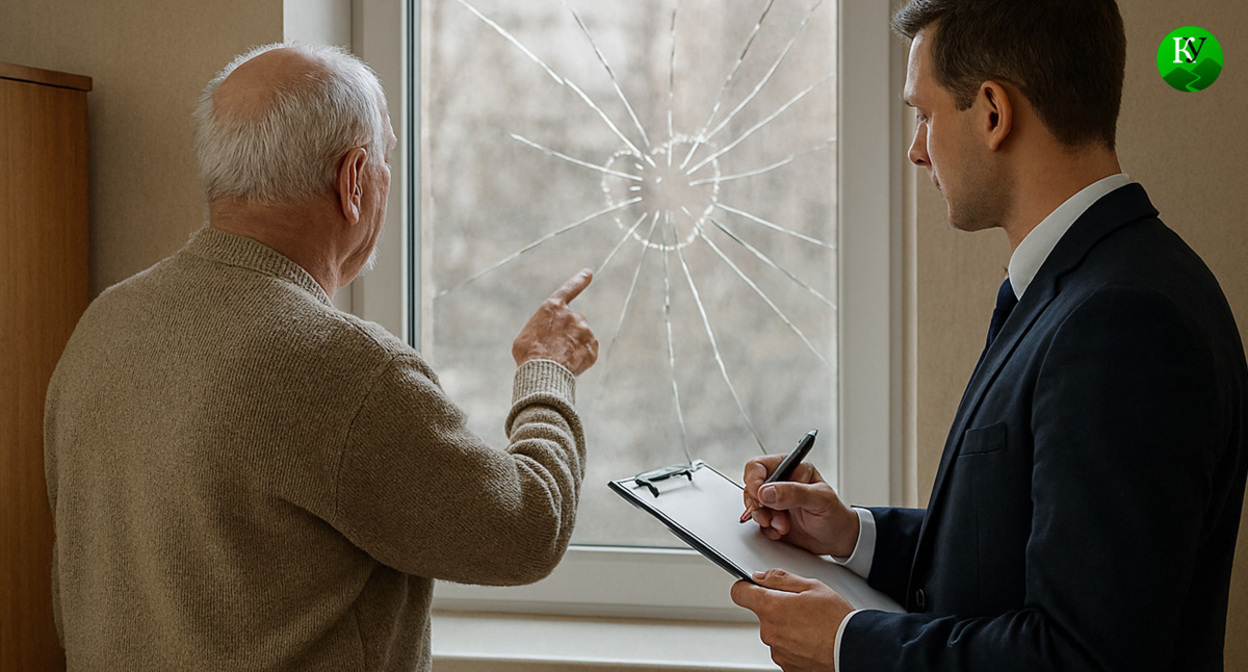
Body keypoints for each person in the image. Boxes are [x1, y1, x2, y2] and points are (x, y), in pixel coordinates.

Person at [44, 43, 599, 671]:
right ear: (355, 178)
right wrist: (546, 371)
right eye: (386, 159)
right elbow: (525, 529)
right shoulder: (341, 367)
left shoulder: (104, 324)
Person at [730, 1, 1248, 670]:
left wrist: (845, 643)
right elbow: (1020, 553)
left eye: (924, 115)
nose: (916, 150)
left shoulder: (1123, 320)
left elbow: (1084, 655)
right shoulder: (1082, 287)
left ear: (994, 113)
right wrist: (852, 535)